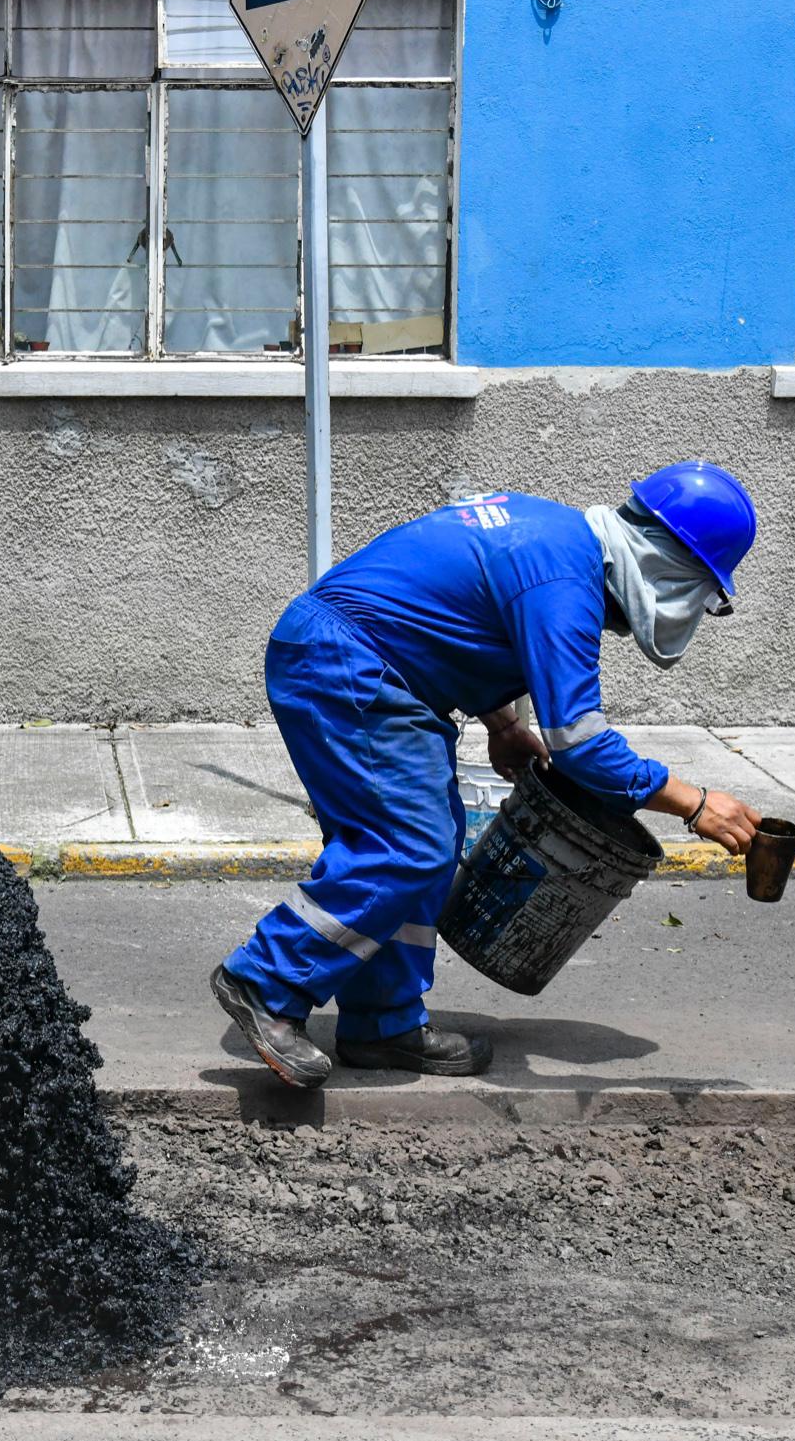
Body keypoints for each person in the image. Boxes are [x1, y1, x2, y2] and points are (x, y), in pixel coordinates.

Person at [210, 462, 765, 1089]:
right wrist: (693, 803)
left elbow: (453, 618)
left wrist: (502, 724)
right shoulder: (564, 580)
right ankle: (264, 980)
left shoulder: (557, 539)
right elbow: (581, 744)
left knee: (430, 845)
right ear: (668, 570)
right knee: (406, 847)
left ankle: (383, 1023)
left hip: (366, 663)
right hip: (348, 666)